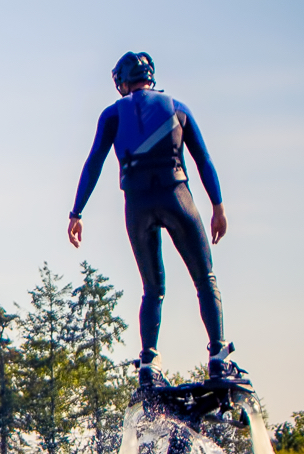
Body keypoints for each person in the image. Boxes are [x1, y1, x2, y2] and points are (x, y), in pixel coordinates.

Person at [67, 51, 240, 388]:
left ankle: (149, 363)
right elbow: (203, 159)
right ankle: (219, 357)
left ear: (122, 82)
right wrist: (218, 206)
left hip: (138, 206)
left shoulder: (112, 115)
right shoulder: (178, 108)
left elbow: (94, 164)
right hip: (178, 198)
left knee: (153, 289)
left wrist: (77, 212)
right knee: (205, 277)